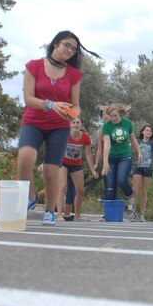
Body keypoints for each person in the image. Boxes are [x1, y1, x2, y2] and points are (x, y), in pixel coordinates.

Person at [17, 30, 99, 225]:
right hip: (34, 122)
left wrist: (73, 113)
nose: (70, 50)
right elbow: (28, 98)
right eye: (67, 45)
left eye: (74, 49)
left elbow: (76, 104)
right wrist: (51, 105)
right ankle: (31, 195)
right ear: (55, 43)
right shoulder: (34, 66)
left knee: (51, 171)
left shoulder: (73, 75)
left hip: (59, 127)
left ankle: (49, 211)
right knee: (25, 158)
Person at [101, 103, 142, 219]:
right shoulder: (106, 126)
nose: (113, 118)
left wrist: (138, 152)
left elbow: (133, 139)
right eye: (111, 116)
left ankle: (130, 198)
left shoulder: (127, 123)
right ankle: (108, 213)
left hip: (124, 156)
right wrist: (105, 162)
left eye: (115, 116)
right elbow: (107, 144)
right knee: (109, 186)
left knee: (121, 180)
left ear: (120, 114)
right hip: (110, 157)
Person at [58, 117, 98, 222]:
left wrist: (93, 170)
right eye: (73, 122)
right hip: (63, 163)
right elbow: (55, 148)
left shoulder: (85, 137)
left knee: (80, 190)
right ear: (70, 124)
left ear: (81, 125)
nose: (76, 124)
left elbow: (88, 155)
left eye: (78, 123)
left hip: (76, 165)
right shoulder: (65, 134)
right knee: (62, 186)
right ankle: (59, 215)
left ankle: (77, 216)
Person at [132, 124, 153, 222]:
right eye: (146, 130)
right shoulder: (137, 141)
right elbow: (130, 143)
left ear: (151, 134)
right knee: (134, 190)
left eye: (150, 131)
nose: (148, 132)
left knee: (144, 191)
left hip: (148, 168)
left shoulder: (152, 143)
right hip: (138, 167)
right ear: (143, 132)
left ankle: (142, 214)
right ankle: (133, 213)